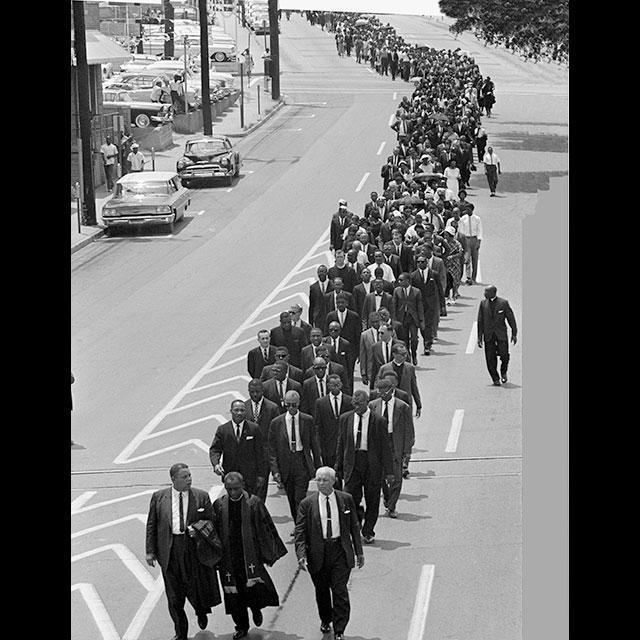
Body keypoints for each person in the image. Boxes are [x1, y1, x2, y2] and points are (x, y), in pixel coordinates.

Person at [145, 463, 222, 640]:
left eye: (189, 476)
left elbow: (212, 520)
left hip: (192, 549)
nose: (189, 479)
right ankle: (181, 634)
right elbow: (152, 524)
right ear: (173, 479)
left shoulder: (201, 497)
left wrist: (198, 528)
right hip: (169, 552)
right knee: (174, 598)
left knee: (195, 590)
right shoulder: (159, 497)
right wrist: (150, 551)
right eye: (184, 477)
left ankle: (200, 610)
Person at [212, 472, 287, 640]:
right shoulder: (219, 505)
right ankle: (241, 626)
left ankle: (255, 609)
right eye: (229, 489)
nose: (232, 492)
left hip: (250, 554)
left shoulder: (253, 503)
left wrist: (269, 553)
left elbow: (265, 527)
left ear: (243, 485)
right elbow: (214, 530)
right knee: (234, 594)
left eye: (236, 489)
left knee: (252, 589)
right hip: (229, 557)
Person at [294, 466, 364, 640]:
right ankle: (326, 619)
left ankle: (340, 629)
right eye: (318, 480)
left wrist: (359, 552)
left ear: (333, 481)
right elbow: (300, 531)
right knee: (322, 591)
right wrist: (301, 555)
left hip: (340, 551)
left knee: (340, 590)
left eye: (325, 480)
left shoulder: (346, 499)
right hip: (318, 553)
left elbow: (354, 527)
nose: (321, 483)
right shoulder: (307, 504)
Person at [335, 389, 394, 544]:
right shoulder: (345, 419)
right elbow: (341, 445)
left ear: (367, 402)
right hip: (352, 465)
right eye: (354, 404)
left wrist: (389, 472)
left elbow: (385, 448)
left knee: (373, 501)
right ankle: (356, 521)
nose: (356, 407)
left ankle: (368, 530)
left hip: (371, 465)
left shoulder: (378, 421)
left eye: (359, 403)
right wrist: (338, 468)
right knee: (350, 500)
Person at [268, 390, 321, 530]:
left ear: (299, 404)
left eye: (294, 405)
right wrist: (275, 471)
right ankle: (298, 524)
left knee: (300, 498)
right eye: (288, 405)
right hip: (285, 464)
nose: (291, 408)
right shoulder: (276, 423)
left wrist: (317, 467)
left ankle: (302, 528)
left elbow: (314, 445)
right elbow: (272, 450)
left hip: (301, 462)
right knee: (291, 499)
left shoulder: (307, 420)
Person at [369, 378, 414, 518]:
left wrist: (407, 451)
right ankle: (387, 498)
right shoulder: (372, 405)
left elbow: (409, 430)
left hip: (395, 443)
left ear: (392, 390)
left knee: (397, 477)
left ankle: (392, 505)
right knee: (381, 475)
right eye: (379, 392)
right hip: (379, 444)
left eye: (385, 392)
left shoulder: (402, 407)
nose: (382, 395)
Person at [209, 400, 267, 498]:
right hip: (230, 475)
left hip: (249, 476)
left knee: (248, 503)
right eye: (236, 410)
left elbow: (261, 453)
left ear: (246, 412)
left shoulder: (254, 428)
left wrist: (261, 475)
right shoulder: (223, 430)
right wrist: (216, 464)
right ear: (231, 411)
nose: (239, 413)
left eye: (242, 410)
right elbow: (215, 449)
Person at [244, 379, 280, 503]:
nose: (255, 395)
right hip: (248, 455)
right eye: (252, 392)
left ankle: (259, 511)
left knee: (261, 487)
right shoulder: (244, 408)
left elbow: (277, 433)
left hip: (265, 455)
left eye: (257, 392)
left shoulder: (272, 408)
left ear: (262, 391)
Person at [313, 375, 353, 480]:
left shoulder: (349, 401)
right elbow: (318, 425)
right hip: (328, 444)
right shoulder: (321, 402)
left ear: (341, 385)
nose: (335, 387)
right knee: (330, 474)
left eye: (337, 384)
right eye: (332, 384)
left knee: (343, 473)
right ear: (328, 386)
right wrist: (319, 445)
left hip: (345, 444)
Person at [477, 285, 518, 386]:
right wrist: (479, 337)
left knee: (504, 355)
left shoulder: (503, 303)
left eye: (486, 292)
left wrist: (514, 333)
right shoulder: (483, 304)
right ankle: (495, 378)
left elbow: (511, 318)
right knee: (490, 358)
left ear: (493, 293)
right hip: (489, 335)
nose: (484, 294)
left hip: (501, 335)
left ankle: (503, 372)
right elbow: (480, 321)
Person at [411, 251, 446, 356]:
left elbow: (440, 290)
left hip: (431, 304)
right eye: (418, 262)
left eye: (422, 261)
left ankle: (427, 345)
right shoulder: (413, 276)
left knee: (428, 325)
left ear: (427, 262)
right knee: (422, 326)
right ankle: (426, 339)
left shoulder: (434, 274)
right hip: (419, 305)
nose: (420, 264)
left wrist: (442, 305)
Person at [376, 342, 422, 416]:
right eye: (402, 354)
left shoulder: (410, 368)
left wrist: (419, 405)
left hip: (405, 404)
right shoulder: (384, 369)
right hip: (389, 404)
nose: (405, 356)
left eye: (406, 354)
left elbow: (414, 387)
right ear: (394, 354)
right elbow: (378, 388)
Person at [391, 272, 424, 365]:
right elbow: (394, 305)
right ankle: (407, 355)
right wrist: (394, 319)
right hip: (402, 319)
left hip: (413, 319)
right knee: (404, 339)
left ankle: (414, 353)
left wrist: (421, 320)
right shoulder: (396, 290)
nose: (399, 282)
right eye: (399, 280)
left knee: (414, 338)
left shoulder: (416, 291)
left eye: (401, 280)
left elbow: (420, 306)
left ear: (408, 281)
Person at [457, 204, 483, 285]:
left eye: (468, 209)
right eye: (466, 209)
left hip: (474, 239)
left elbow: (480, 230)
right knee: (466, 259)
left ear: (472, 210)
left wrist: (479, 241)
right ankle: (465, 278)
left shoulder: (477, 219)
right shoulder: (463, 219)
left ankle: (473, 278)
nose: (467, 211)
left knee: (475, 259)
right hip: (466, 239)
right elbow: (460, 230)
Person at [443, 225, 464, 304]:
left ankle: (455, 294)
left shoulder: (457, 243)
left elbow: (460, 253)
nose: (445, 236)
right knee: (448, 280)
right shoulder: (443, 242)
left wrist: (452, 256)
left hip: (455, 265)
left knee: (455, 280)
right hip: (447, 265)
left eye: (446, 235)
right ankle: (447, 296)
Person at [309, 265, 334, 329]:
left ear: (327, 273)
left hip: (331, 316)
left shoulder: (333, 285)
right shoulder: (313, 287)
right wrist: (311, 322)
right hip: (318, 318)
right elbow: (311, 305)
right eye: (319, 272)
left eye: (323, 271)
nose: (321, 273)